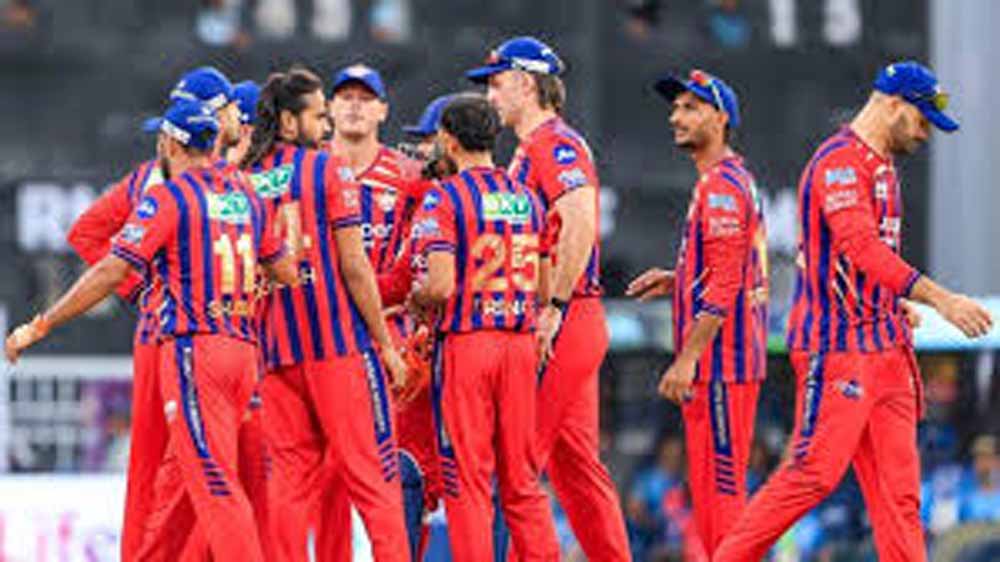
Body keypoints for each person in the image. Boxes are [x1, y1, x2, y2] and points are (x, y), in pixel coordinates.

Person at [714, 60, 994, 562]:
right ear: (893, 105)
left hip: (886, 345)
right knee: (814, 473)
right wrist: (943, 300)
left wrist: (892, 301)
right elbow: (860, 247)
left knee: (900, 496)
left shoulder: (883, 165)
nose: (925, 134)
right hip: (837, 345)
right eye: (922, 120)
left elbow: (849, 262)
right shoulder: (838, 163)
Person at [5, 99, 298, 561]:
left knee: (217, 485)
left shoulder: (169, 197)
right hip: (243, 352)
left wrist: (42, 324)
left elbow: (110, 271)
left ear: (170, 143)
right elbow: (285, 270)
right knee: (181, 486)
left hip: (195, 353)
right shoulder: (247, 195)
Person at [466, 36, 631, 562]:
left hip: (564, 317)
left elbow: (580, 218)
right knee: (576, 468)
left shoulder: (553, 143)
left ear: (526, 83)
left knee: (516, 466)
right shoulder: (532, 146)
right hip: (569, 317)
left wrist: (553, 307)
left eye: (496, 83)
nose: (490, 96)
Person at [66, 65, 239, 562]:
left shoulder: (148, 178)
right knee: (208, 466)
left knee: (165, 468)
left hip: (168, 335)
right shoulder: (234, 182)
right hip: (212, 337)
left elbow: (85, 234)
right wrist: (145, 287)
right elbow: (85, 234)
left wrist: (144, 290)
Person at [239, 65, 411, 562]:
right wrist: (384, 343)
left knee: (289, 486)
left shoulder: (244, 180)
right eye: (318, 116)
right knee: (375, 480)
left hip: (277, 352)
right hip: (339, 349)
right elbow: (355, 267)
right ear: (289, 122)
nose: (327, 125)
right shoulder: (328, 168)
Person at [408, 92, 561, 562]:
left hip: (468, 347)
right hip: (519, 344)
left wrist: (416, 300)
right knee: (521, 482)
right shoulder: (527, 197)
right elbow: (544, 287)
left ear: (449, 141)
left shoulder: (444, 196)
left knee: (467, 480)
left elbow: (440, 286)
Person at [626, 68, 767, 555]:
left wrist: (687, 359)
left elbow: (726, 283)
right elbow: (732, 268)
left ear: (721, 119)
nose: (676, 117)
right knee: (710, 506)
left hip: (722, 368)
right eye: (675, 108)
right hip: (721, 367)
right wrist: (680, 279)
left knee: (721, 504)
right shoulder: (723, 180)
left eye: (690, 107)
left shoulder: (722, 185)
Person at [318, 62, 435, 562]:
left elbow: (436, 244)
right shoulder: (311, 169)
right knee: (324, 476)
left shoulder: (408, 176)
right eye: (345, 96)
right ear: (328, 107)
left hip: (389, 337)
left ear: (383, 110)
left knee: (394, 470)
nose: (354, 106)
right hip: (322, 335)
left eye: (365, 98)